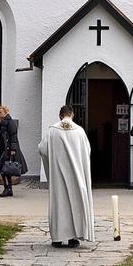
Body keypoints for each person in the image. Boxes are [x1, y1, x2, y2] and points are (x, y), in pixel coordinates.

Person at [38, 105, 94, 248]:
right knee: (74, 204)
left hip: (58, 175)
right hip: (76, 175)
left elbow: (42, 149)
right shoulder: (79, 131)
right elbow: (87, 151)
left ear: (60, 115)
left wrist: (53, 160)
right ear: (72, 114)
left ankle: (57, 238)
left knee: (59, 203)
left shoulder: (52, 130)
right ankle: (73, 238)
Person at [0, 105, 28, 197]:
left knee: (4, 168)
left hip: (8, 149)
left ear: (6, 112)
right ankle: (7, 188)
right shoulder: (1, 122)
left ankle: (8, 188)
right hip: (2, 148)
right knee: (3, 168)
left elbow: (13, 136)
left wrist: (13, 149)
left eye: (0, 112)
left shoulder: (10, 123)